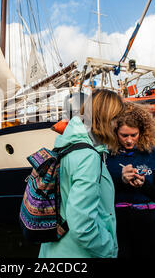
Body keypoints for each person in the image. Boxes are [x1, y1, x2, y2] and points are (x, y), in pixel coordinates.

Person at [39, 89, 124, 258]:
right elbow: (82, 226)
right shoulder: (88, 157)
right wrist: (109, 248)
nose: (118, 125)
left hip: (53, 250)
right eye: (116, 119)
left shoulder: (65, 147)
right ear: (105, 119)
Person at [106, 102, 155, 259]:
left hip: (148, 224)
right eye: (124, 135)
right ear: (115, 133)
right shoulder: (107, 156)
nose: (129, 141)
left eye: (133, 135)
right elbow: (100, 195)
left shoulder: (152, 154)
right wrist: (121, 181)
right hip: (119, 225)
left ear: (142, 132)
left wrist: (144, 185)